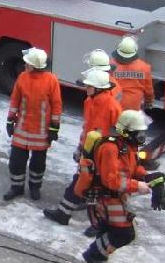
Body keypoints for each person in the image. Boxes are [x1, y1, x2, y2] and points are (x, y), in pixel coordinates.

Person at [79, 110, 165, 263]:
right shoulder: (110, 148)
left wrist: (148, 178)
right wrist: (137, 186)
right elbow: (111, 180)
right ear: (126, 132)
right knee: (124, 233)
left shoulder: (127, 147)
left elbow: (133, 169)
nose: (142, 138)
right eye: (139, 134)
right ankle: (93, 255)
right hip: (105, 197)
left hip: (114, 197)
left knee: (107, 231)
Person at [43, 68, 121, 227]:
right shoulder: (89, 102)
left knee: (97, 189)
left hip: (103, 155)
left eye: (89, 86)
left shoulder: (112, 106)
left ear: (98, 88)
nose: (86, 88)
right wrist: (80, 148)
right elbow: (87, 129)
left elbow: (119, 134)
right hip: (89, 152)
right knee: (80, 183)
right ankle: (65, 214)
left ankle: (100, 223)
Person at [3, 47, 62, 202]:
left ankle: (35, 187)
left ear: (35, 66)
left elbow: (56, 106)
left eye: (28, 63)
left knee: (38, 164)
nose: (25, 65)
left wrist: (54, 128)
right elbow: (15, 100)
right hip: (22, 128)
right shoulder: (22, 77)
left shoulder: (51, 80)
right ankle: (16, 187)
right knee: (16, 161)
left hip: (41, 131)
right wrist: (10, 120)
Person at [111, 36, 154, 111]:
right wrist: (149, 102)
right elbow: (148, 90)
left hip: (114, 103)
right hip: (134, 104)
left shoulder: (110, 65)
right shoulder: (144, 67)